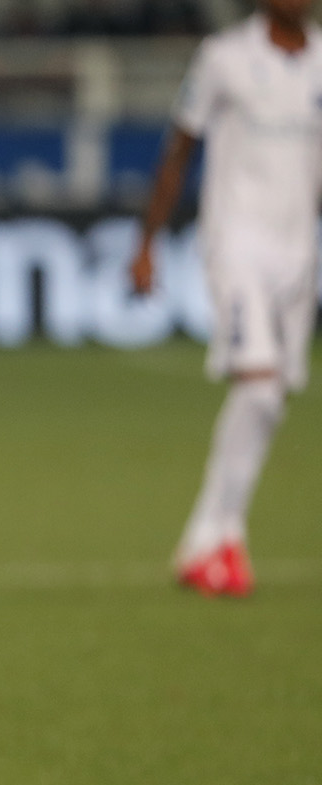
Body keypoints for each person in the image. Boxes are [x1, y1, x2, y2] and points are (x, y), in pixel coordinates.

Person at [132, 0, 322, 596]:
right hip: (237, 241)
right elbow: (179, 150)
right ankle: (226, 537)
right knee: (260, 387)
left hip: (299, 252)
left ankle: (203, 540)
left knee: (269, 399)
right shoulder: (223, 58)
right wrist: (147, 243)